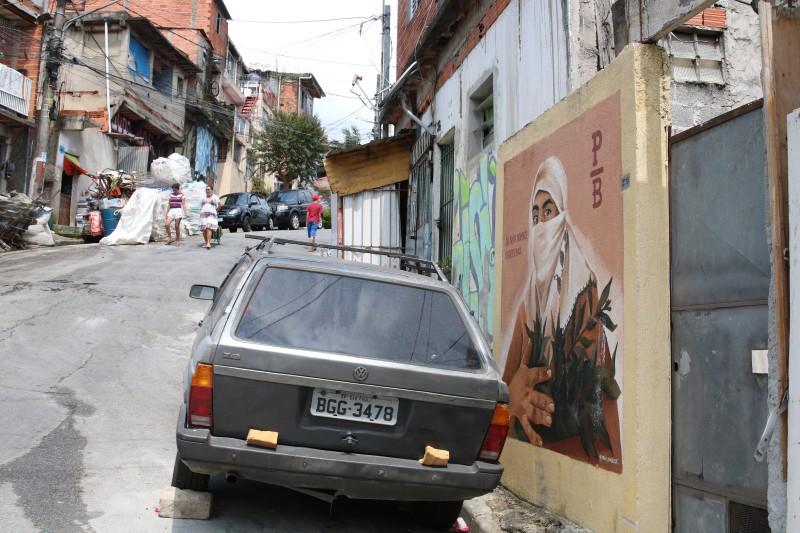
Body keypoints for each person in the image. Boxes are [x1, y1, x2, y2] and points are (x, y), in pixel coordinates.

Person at [502, 156, 620, 459]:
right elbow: (504, 389)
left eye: (549, 211)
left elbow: (599, 397)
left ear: (562, 215)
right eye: (535, 216)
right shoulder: (528, 303)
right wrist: (513, 396)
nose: (541, 225)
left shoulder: (585, 293)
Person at [199, 185, 220, 250]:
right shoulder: (203, 198)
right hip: (204, 214)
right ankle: (206, 242)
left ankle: (208, 243)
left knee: (208, 227)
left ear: (211, 190)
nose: (207, 191)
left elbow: (219, 205)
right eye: (206, 190)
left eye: (208, 189)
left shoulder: (215, 197)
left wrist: (216, 212)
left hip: (212, 214)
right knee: (204, 228)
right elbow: (200, 206)